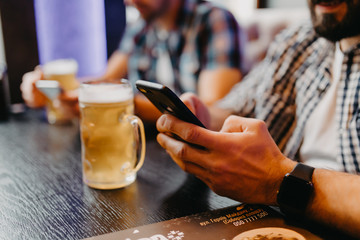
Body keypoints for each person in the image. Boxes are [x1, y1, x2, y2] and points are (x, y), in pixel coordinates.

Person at [156, 0, 360, 237]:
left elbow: (273, 175)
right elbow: (242, 108)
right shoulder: (303, 38)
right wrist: (204, 120)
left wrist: (278, 181)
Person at [21, 0, 243, 123]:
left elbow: (211, 113)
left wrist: (125, 103)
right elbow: (106, 80)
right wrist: (54, 89)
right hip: (153, 152)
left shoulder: (214, 20)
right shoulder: (141, 26)